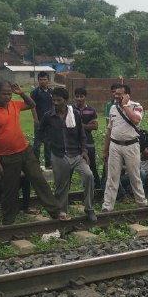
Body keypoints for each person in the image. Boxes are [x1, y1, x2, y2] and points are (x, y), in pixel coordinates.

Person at [0, 81, 69, 224]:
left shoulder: (13, 105)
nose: (8, 97)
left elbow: (32, 105)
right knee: (11, 189)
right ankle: (8, 221)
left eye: (9, 94)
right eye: (4, 94)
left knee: (39, 180)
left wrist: (21, 93)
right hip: (7, 156)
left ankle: (56, 211)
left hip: (25, 151)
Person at [39, 87, 97, 221]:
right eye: (53, 100)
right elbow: (41, 132)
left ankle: (89, 209)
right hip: (58, 155)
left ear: (65, 101)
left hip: (75, 154)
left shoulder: (74, 114)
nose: (55, 103)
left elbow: (82, 134)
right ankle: (62, 212)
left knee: (88, 176)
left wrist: (84, 151)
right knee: (62, 186)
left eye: (59, 100)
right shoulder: (49, 116)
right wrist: (49, 143)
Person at [102, 84, 148, 212]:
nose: (116, 96)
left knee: (134, 175)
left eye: (119, 94)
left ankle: (141, 202)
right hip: (115, 145)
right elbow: (109, 130)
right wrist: (105, 150)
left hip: (131, 145)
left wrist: (126, 105)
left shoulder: (136, 106)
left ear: (127, 95)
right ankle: (107, 205)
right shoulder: (112, 108)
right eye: (115, 94)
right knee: (112, 176)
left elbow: (135, 120)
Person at [74, 87, 101, 189]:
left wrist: (80, 125)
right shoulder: (71, 109)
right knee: (70, 170)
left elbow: (95, 126)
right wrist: (87, 125)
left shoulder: (91, 110)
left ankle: (97, 189)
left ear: (85, 97)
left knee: (92, 166)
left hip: (89, 144)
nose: (79, 99)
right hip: (74, 144)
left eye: (81, 96)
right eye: (77, 96)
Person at [30, 71, 54, 169]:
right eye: (41, 79)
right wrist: (36, 120)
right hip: (39, 121)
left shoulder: (51, 92)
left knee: (48, 143)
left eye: (44, 79)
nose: (43, 81)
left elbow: (53, 106)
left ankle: (48, 163)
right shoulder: (35, 92)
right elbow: (32, 107)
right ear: (38, 80)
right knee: (37, 143)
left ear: (48, 80)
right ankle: (35, 164)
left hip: (49, 122)